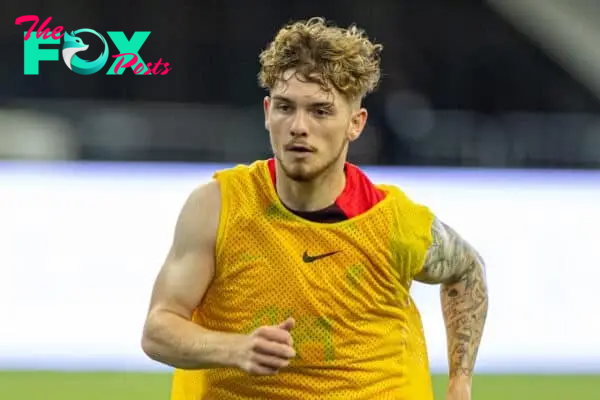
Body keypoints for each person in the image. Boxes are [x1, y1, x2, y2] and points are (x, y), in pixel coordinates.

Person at [141, 17, 489, 400]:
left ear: (355, 124)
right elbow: (159, 329)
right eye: (286, 108)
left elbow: (467, 270)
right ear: (266, 112)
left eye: (320, 111)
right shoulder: (219, 205)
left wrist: (460, 382)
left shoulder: (394, 222)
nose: (298, 126)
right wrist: (235, 349)